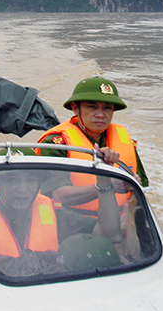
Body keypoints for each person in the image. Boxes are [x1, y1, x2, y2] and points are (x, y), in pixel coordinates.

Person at [0, 148, 122, 277]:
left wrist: (104, 180)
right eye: (12, 180)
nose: (23, 189)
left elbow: (110, 234)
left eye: (31, 180)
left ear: (39, 184)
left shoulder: (52, 212)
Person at [37, 76, 148, 214]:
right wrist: (109, 186)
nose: (100, 115)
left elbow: (143, 186)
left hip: (121, 221)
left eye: (107, 108)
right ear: (75, 109)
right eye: (92, 107)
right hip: (71, 225)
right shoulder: (56, 144)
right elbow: (58, 195)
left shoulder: (124, 141)